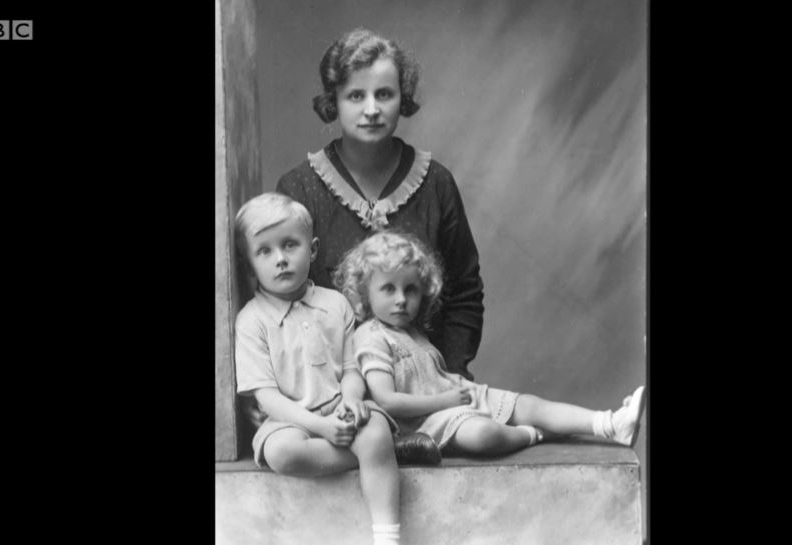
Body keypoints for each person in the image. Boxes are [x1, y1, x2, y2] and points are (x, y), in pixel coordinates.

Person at [275, 27, 483, 383]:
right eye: (356, 96)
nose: (371, 109)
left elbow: (464, 291)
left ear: (402, 99)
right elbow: (279, 304)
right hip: (332, 391)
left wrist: (450, 373)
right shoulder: (298, 188)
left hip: (423, 386)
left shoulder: (436, 183)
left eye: (384, 94)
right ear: (333, 101)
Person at [334, 231, 646, 456]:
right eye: (388, 289)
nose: (401, 300)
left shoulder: (412, 332)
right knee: (483, 435)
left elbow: (431, 378)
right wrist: (447, 401)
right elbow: (388, 401)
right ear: (364, 293)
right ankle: (532, 435)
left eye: (411, 289)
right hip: (422, 423)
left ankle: (609, 424)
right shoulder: (370, 337)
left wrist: (456, 387)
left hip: (453, 400)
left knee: (528, 404)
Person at [233, 193, 403, 545]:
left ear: (311, 250)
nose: (280, 259)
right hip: (290, 421)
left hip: (338, 409)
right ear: (250, 265)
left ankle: (387, 536)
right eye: (264, 251)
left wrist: (352, 399)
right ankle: (374, 455)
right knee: (280, 452)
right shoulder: (251, 321)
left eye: (290, 245)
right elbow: (266, 397)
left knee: (373, 428)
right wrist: (320, 427)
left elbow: (351, 368)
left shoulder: (335, 303)